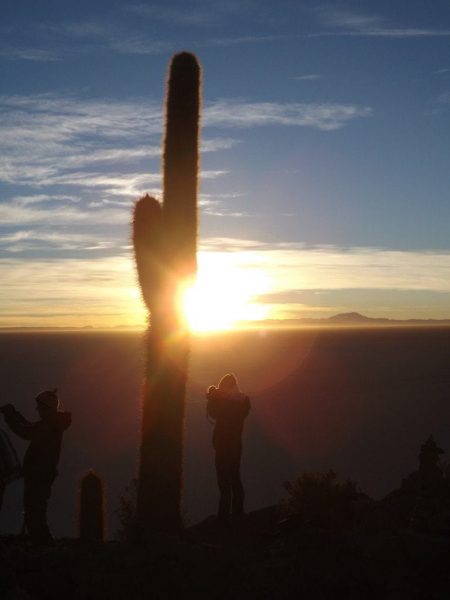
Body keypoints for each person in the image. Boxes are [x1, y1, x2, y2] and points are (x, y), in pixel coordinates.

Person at [0, 389, 71, 546]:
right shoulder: (52, 424)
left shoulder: (48, 427)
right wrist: (14, 414)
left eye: (39, 407)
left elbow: (25, 431)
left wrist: (10, 416)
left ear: (46, 408)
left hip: (39, 474)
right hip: (41, 473)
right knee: (36, 510)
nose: (37, 410)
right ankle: (41, 544)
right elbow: (29, 426)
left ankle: (43, 546)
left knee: (35, 511)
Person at [206, 373, 250, 524]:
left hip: (222, 445)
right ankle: (238, 513)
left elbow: (213, 414)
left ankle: (224, 517)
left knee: (224, 481)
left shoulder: (225, 402)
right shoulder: (243, 401)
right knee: (235, 479)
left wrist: (213, 396)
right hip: (236, 445)